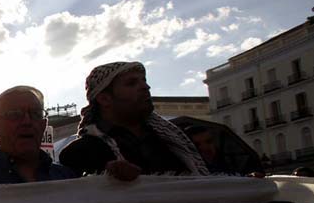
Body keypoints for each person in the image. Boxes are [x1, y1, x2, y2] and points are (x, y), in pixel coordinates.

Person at [59, 62, 209, 179]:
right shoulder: (79, 153)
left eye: (143, 81)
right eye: (131, 83)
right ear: (104, 99)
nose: (145, 86)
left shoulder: (177, 142)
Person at [0, 86, 78, 187]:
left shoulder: (68, 178)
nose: (27, 121)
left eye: (36, 114)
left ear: (44, 125)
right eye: (14, 114)